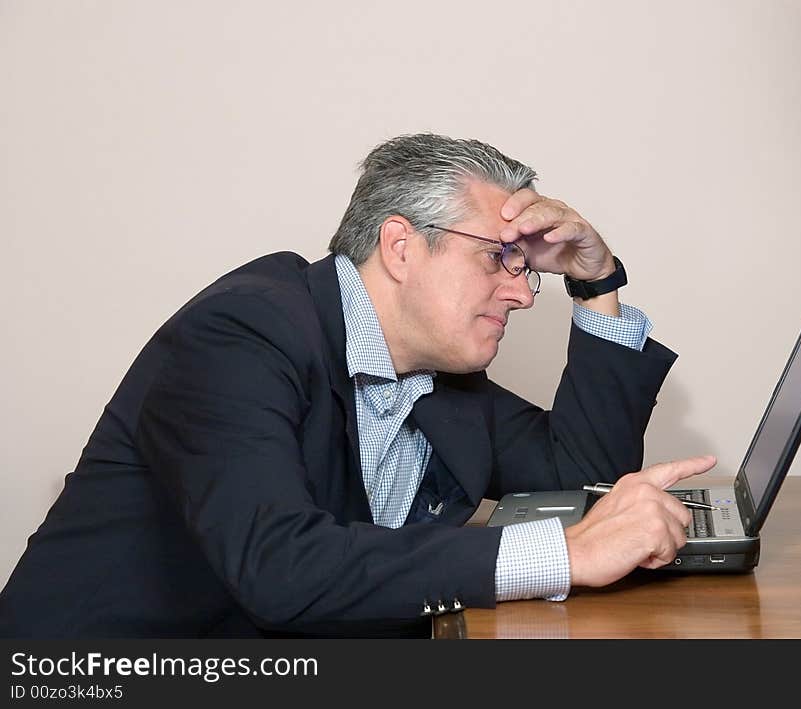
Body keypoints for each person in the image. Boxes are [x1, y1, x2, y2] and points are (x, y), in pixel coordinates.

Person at [0, 133, 715, 637]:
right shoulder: (243, 332)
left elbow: (583, 479)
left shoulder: (441, 382)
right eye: (500, 259)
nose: (525, 293)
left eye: (526, 266)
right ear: (401, 246)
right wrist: (565, 554)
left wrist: (596, 282)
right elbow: (278, 566)